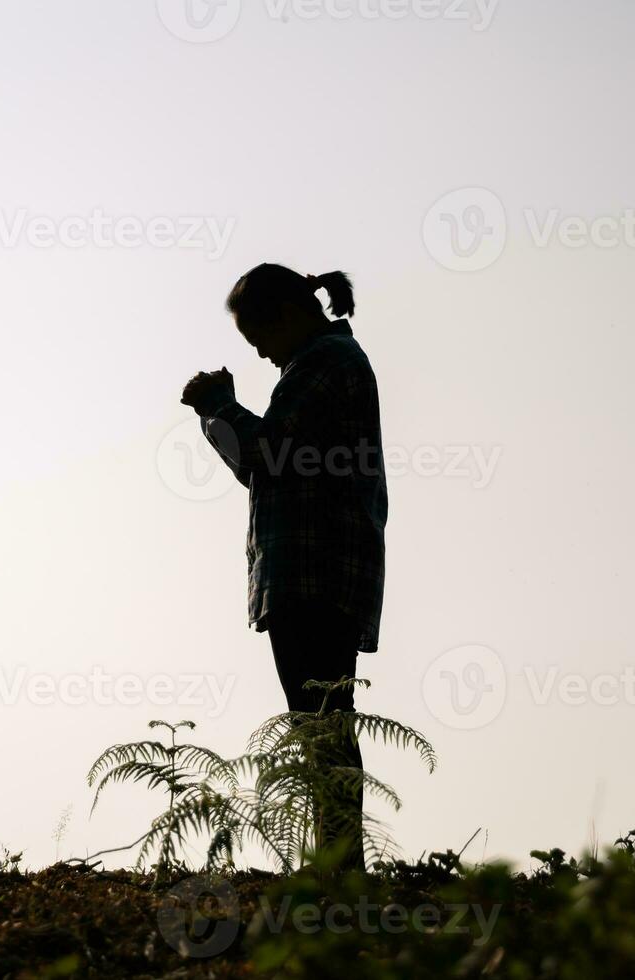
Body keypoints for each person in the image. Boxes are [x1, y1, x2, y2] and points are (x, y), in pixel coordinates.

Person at [180, 263, 388, 871]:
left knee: (322, 727)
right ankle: (339, 866)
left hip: (315, 571)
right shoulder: (323, 362)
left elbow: (267, 457)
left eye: (261, 340)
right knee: (322, 724)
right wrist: (220, 413)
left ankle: (341, 870)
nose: (264, 356)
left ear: (290, 317)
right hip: (318, 571)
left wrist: (218, 405)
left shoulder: (325, 364)